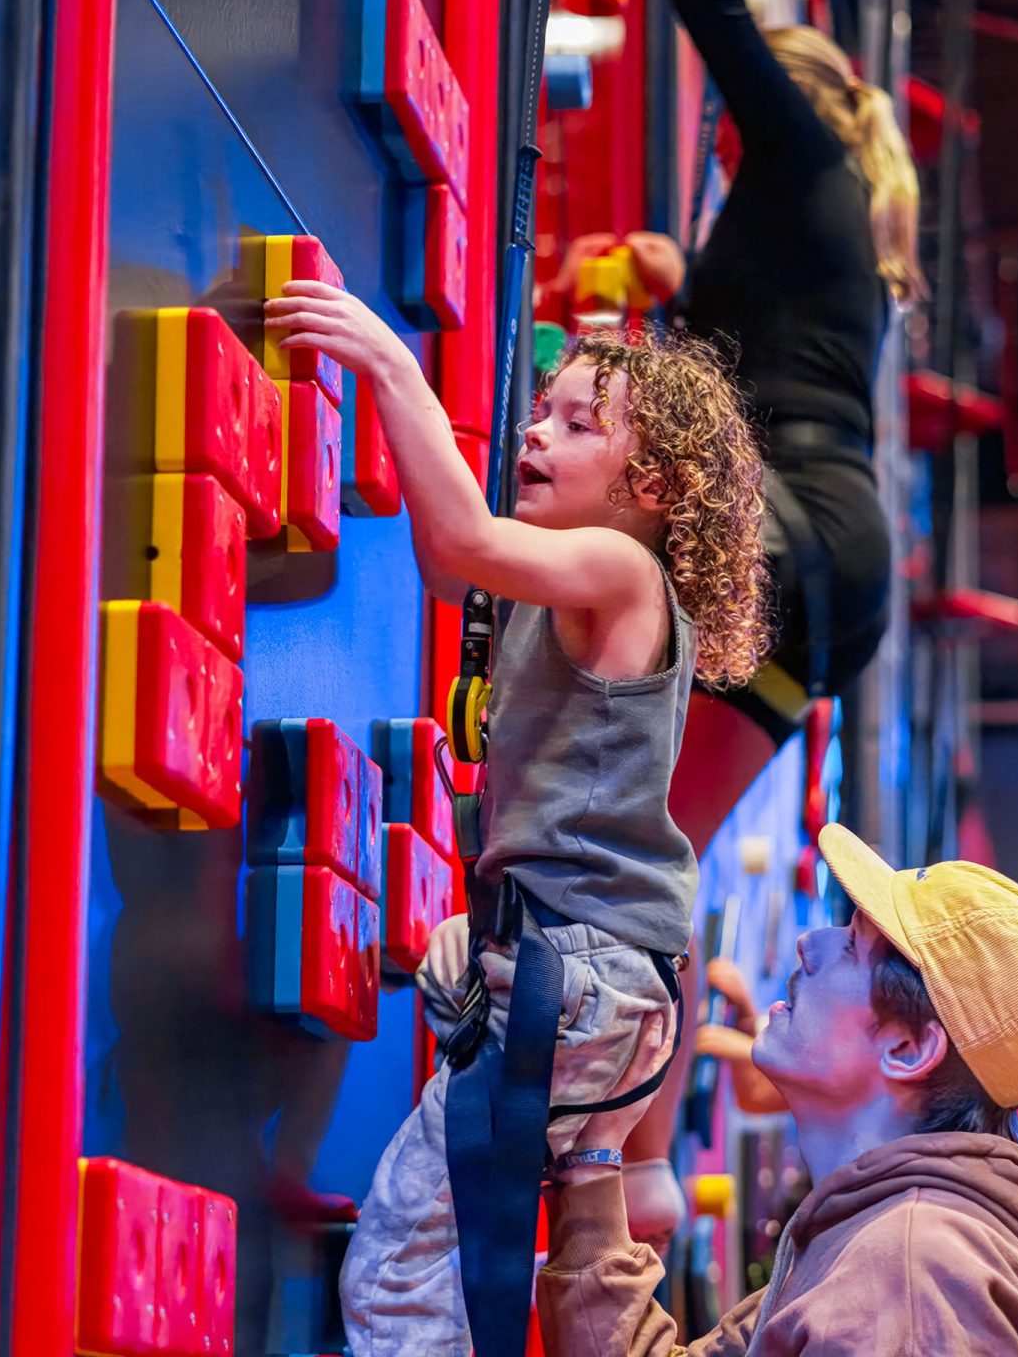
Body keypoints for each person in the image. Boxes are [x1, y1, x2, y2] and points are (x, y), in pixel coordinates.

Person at [264, 285, 770, 1355]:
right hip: (577, 962)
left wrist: (390, 367)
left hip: (581, 968)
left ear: (651, 487)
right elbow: (450, 565)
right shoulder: (562, 589)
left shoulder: (622, 572)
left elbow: (459, 540)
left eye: (578, 425)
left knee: (400, 1268)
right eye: (542, 411)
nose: (537, 433)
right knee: (466, 1238)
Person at [622, 0, 931, 1245]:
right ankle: (638, 1169)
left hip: (781, 527)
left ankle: (628, 1147)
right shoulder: (830, 222)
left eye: (727, 136)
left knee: (631, 836)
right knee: (658, 848)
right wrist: (677, 296)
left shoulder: (800, 151)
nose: (717, 154)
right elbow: (764, 348)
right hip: (834, 564)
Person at [535, 823, 1018, 1356]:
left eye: (853, 947)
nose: (810, 944)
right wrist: (593, 1158)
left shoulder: (908, 1283)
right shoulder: (887, 1243)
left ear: (907, 1049)